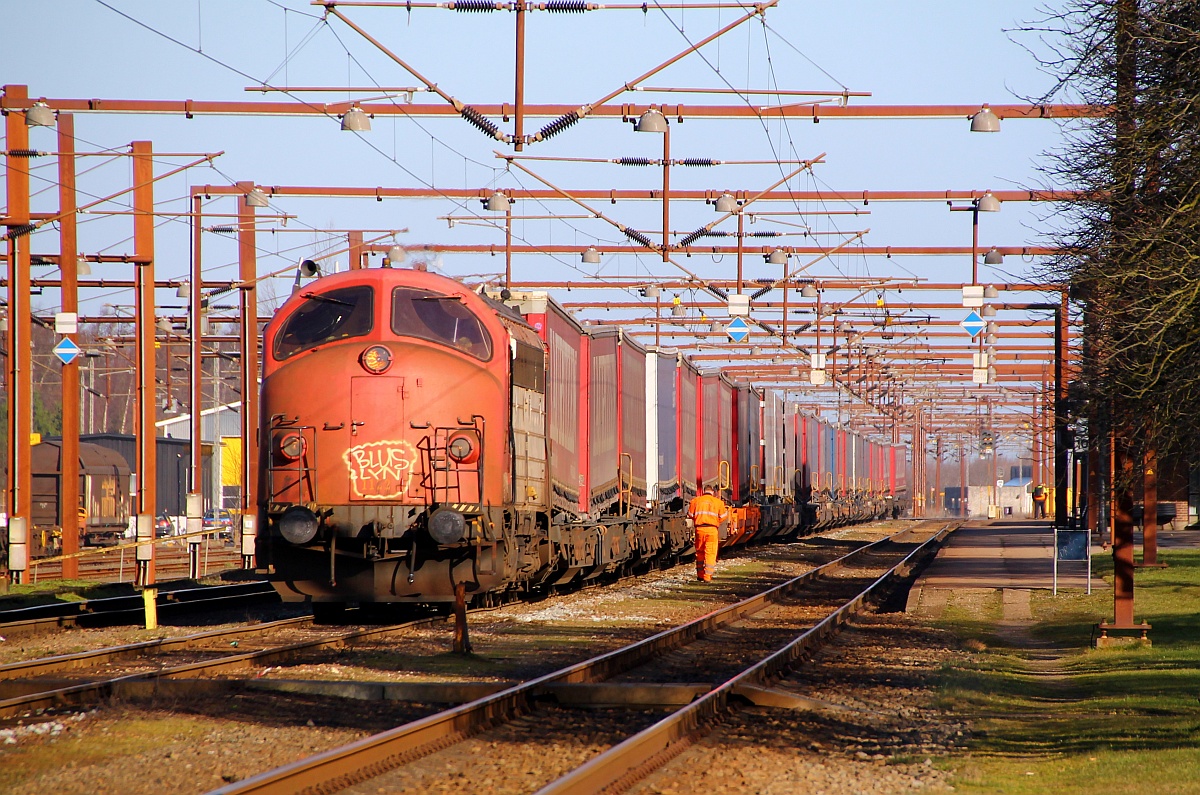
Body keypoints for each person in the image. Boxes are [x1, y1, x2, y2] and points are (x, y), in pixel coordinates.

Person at [687, 485, 729, 583]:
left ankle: (700, 575)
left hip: (699, 529)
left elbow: (690, 515)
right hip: (712, 530)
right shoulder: (718, 502)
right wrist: (716, 521)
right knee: (710, 553)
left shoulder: (695, 501)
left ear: (703, 491)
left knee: (700, 552)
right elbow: (723, 516)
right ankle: (707, 576)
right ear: (713, 492)